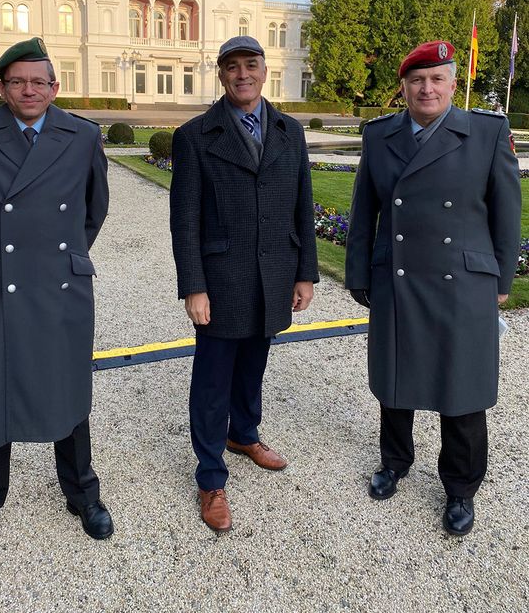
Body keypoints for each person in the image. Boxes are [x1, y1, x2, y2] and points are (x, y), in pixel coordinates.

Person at [0, 37, 113, 558]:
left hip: (61, 283)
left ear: (54, 87)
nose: (29, 90)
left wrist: (60, 259)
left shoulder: (82, 135)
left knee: (67, 389)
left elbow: (93, 209)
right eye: (18, 81)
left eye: (39, 81)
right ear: (2, 87)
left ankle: (81, 492)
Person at [345, 40, 521, 536]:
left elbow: (508, 214)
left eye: (437, 78)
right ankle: (395, 462)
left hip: (462, 282)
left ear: (451, 83)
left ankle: (461, 488)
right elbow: (365, 212)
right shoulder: (380, 136)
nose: (427, 88)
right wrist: (359, 272)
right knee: (395, 379)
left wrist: (502, 281)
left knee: (461, 388)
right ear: (403, 88)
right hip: (398, 275)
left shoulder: (486, 132)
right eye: (417, 80)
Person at [169, 36, 319, 532]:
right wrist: (194, 285)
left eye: (250, 65)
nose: (242, 74)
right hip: (222, 278)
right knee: (212, 382)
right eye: (231, 67)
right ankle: (211, 476)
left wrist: (305, 272)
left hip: (274, 274)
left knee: (254, 363)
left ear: (263, 69)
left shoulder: (288, 131)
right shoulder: (195, 136)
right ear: (220, 74)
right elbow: (185, 218)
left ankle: (244, 434)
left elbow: (303, 205)